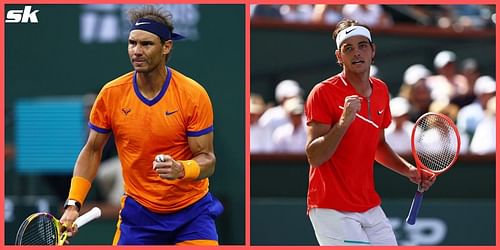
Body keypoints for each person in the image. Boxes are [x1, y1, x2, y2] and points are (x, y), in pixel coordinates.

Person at [60, 5, 223, 245]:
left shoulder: (193, 95)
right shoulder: (111, 94)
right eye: (132, 43)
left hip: (192, 214)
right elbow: (92, 150)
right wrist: (73, 204)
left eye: (146, 44)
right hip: (139, 216)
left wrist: (182, 169)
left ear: (166, 47)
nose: (136, 51)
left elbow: (207, 160)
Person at [304, 19, 436, 246]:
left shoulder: (382, 90)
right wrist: (344, 121)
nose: (357, 53)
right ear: (339, 57)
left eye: (362, 45)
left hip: (368, 205)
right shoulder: (322, 93)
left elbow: (378, 145)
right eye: (348, 48)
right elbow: (315, 156)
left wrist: (408, 170)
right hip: (331, 207)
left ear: (373, 50)